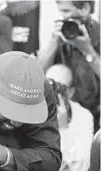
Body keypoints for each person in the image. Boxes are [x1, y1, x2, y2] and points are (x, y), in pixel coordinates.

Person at [34, 64, 94, 171]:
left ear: (71, 92)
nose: (53, 91)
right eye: (49, 84)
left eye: (60, 87)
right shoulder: (33, 110)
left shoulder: (82, 116)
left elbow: (81, 168)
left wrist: (63, 130)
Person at [38, 0, 100, 132]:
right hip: (65, 110)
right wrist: (54, 42)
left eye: (66, 11)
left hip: (96, 111)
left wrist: (88, 50)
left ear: (85, 8)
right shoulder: (62, 32)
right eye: (60, 11)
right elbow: (38, 71)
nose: (63, 16)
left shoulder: (99, 33)